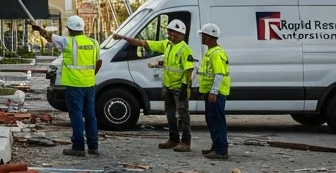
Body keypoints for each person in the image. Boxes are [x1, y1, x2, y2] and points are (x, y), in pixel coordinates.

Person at [115, 18, 195, 152]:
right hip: (168, 86)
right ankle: (173, 139)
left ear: (182, 34)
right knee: (170, 114)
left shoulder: (185, 49)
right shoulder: (167, 45)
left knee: (183, 115)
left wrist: (184, 87)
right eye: (169, 33)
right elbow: (144, 43)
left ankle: (186, 142)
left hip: (178, 88)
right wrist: (123, 37)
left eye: (174, 33)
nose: (171, 36)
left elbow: (189, 69)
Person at [31, 16, 100, 157]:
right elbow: (99, 62)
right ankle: (93, 147)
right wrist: (90, 76)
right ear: (82, 28)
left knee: (76, 116)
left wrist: (38, 29)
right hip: (90, 85)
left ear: (69, 29)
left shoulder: (67, 42)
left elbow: (50, 37)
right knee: (91, 116)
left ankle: (78, 147)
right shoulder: (94, 43)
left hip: (74, 86)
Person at [196, 23, 230, 160]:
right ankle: (216, 147)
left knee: (216, 120)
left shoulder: (216, 54)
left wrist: (214, 92)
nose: (201, 37)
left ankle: (221, 150)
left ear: (209, 37)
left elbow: (219, 74)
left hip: (216, 93)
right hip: (212, 92)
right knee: (212, 120)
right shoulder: (211, 52)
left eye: (203, 35)